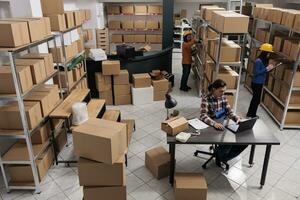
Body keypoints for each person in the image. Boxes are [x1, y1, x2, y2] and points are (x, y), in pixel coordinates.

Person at [200, 79, 248, 166]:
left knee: (244, 142)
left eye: (224, 91)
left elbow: (230, 112)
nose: (223, 93)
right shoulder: (206, 99)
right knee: (229, 142)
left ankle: (223, 157)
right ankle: (220, 156)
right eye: (221, 91)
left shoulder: (223, 98)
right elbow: (203, 115)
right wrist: (214, 123)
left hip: (225, 124)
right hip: (213, 127)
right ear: (214, 89)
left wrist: (236, 118)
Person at [247, 43, 275, 118]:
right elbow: (256, 73)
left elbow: (264, 71)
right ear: (265, 52)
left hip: (260, 82)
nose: (269, 54)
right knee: (256, 100)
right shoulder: (258, 61)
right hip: (256, 83)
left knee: (256, 99)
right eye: (269, 53)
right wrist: (266, 68)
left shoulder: (264, 60)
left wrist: (270, 69)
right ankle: (252, 115)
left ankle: (250, 113)